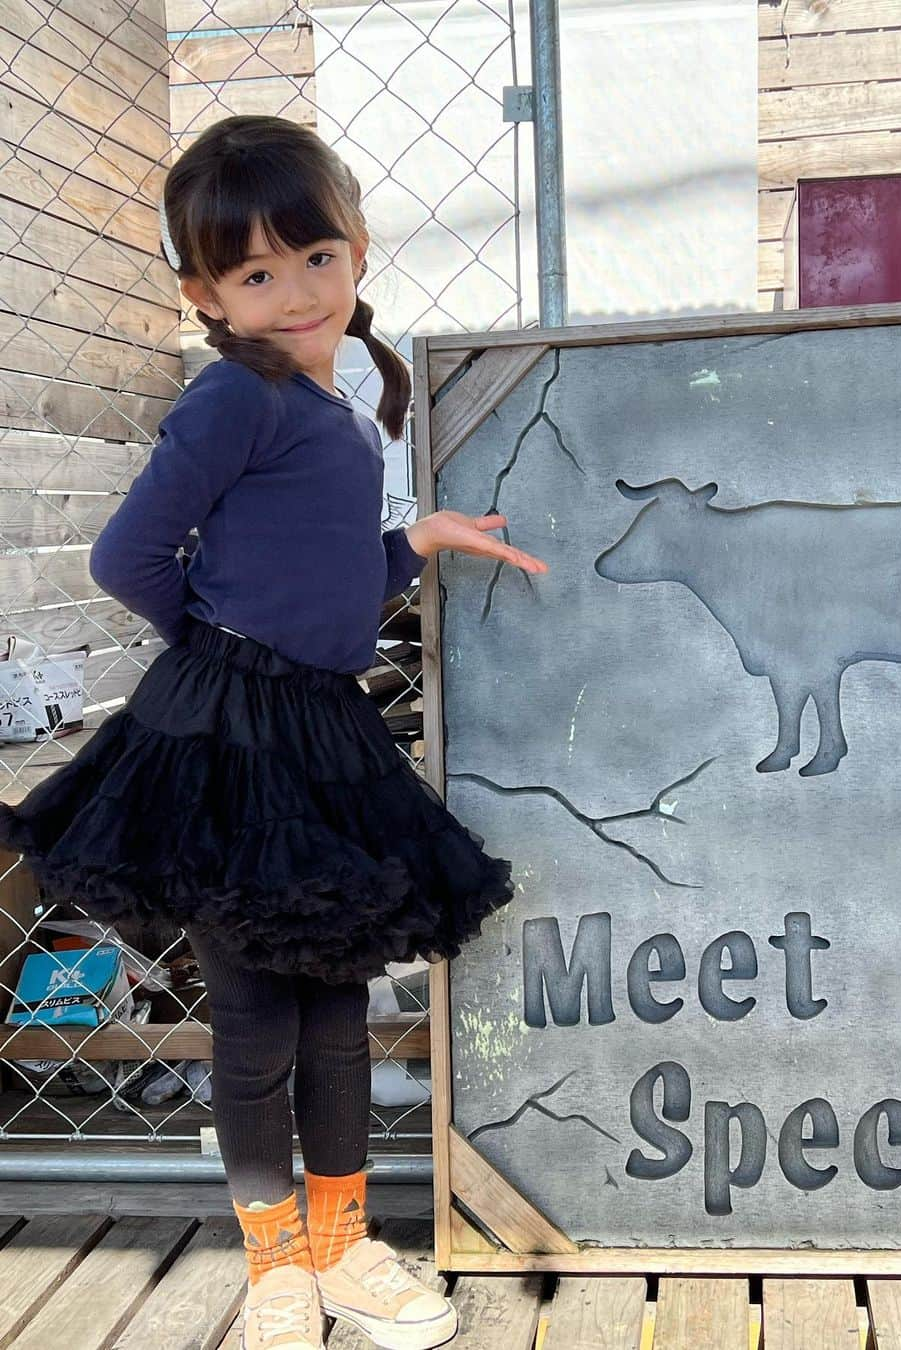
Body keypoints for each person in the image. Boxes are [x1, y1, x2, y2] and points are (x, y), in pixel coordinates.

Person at [0, 114, 547, 1350]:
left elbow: (328, 591)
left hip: (319, 732)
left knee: (334, 1011)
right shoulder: (231, 400)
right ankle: (276, 1265)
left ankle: (346, 1245)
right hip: (230, 740)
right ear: (208, 295)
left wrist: (413, 545)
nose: (296, 293)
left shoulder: (345, 419)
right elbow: (125, 554)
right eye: (257, 274)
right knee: (253, 1015)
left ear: (355, 250)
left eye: (317, 260)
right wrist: (218, 642)